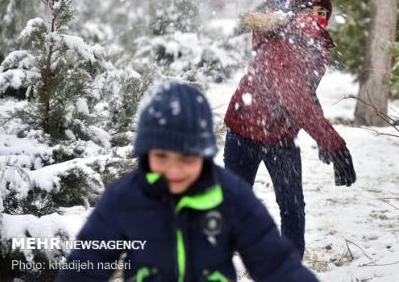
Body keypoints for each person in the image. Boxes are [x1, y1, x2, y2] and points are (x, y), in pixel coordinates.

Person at [55, 80, 319, 282]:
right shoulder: (124, 198)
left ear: (204, 154)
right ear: (146, 153)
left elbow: (275, 263)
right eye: (162, 156)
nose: (174, 170)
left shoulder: (231, 197)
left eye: (187, 158)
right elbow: (87, 264)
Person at [224, 0, 357, 257]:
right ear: (294, 11)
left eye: (323, 11)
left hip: (281, 138)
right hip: (244, 133)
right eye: (310, 10)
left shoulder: (317, 45)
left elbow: (305, 94)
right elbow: (295, 98)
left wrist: (323, 138)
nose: (318, 17)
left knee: (293, 206)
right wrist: (332, 143)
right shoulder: (282, 43)